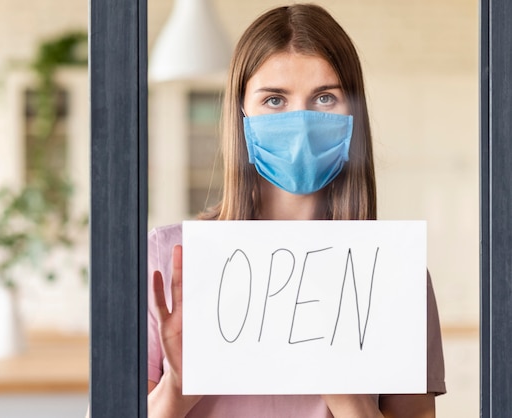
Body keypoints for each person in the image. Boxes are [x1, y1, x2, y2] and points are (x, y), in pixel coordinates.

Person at [148, 3, 446, 418]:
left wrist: (350, 398)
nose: (301, 123)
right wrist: (177, 389)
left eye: (325, 98)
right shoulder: (168, 260)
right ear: (242, 114)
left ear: (353, 113)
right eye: (274, 99)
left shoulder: (395, 273)